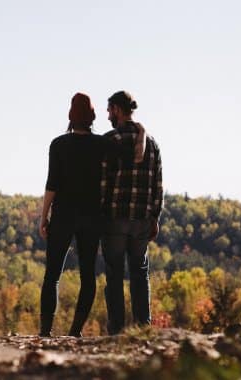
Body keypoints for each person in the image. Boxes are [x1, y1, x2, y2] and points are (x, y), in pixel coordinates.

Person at [39, 92, 145, 337]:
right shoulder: (102, 144)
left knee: (52, 275)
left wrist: (43, 217)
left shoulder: (58, 144)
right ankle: (75, 331)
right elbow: (132, 156)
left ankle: (45, 332)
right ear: (93, 117)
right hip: (91, 217)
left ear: (70, 117)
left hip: (63, 215)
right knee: (88, 275)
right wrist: (141, 131)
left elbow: (51, 184)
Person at [101, 90, 163, 335]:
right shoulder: (153, 145)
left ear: (117, 109)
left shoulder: (110, 141)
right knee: (139, 273)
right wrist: (155, 217)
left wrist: (101, 214)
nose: (108, 115)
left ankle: (116, 330)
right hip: (141, 220)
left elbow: (103, 183)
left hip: (115, 218)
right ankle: (142, 328)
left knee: (114, 274)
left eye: (109, 110)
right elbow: (158, 185)